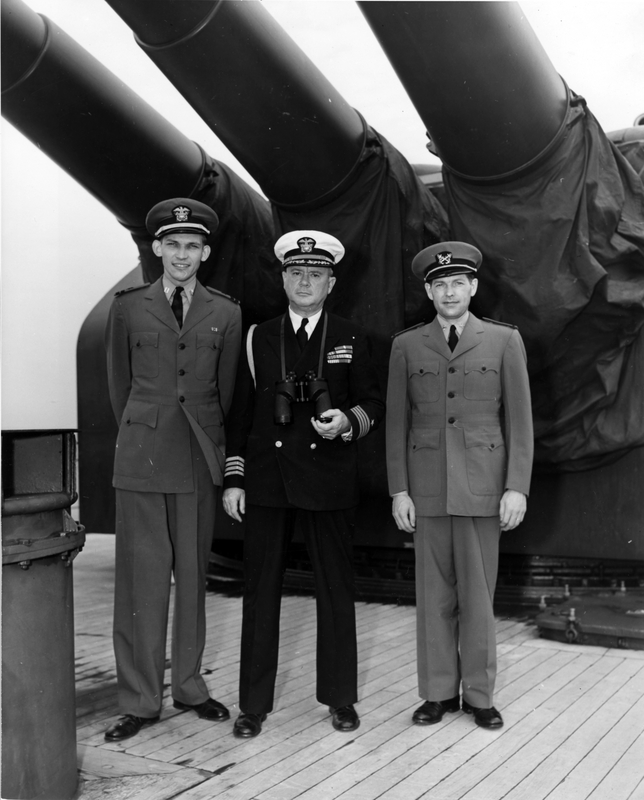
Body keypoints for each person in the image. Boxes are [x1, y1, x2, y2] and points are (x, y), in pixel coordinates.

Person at [222, 230, 384, 738]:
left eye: (316, 274)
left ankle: (340, 699)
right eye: (296, 273)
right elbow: (242, 412)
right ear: (284, 279)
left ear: (331, 283)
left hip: (329, 476)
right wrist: (235, 478)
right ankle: (253, 705)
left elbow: (374, 404)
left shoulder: (352, 336)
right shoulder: (259, 336)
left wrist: (346, 421)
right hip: (268, 479)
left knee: (335, 591)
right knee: (260, 593)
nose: (305, 281)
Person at [104, 198, 242, 741]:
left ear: (205, 253)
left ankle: (189, 686)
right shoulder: (128, 308)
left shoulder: (226, 313)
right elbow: (119, 388)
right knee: (140, 584)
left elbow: (225, 393)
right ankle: (140, 700)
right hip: (142, 458)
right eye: (173, 244)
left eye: (193, 246)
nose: (182, 255)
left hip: (197, 458)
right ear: (158, 248)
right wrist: (144, 432)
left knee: (192, 579)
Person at [386, 241, 533, 730]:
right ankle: (438, 694)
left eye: (457, 283)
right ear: (429, 292)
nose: (449, 292)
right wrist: (399, 490)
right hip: (427, 489)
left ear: (472, 287)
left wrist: (517, 487)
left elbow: (519, 421)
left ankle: (480, 696)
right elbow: (396, 424)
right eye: (440, 285)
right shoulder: (406, 345)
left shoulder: (503, 341)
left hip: (483, 489)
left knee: (478, 598)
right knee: (433, 599)